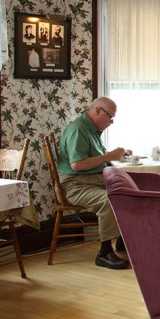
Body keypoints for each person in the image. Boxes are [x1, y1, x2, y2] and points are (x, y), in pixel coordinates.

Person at [57, 96, 131, 269]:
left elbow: (96, 157)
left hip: (91, 179)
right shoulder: (78, 130)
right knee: (109, 200)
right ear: (97, 110)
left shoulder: (91, 129)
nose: (111, 122)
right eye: (110, 117)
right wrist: (109, 156)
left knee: (130, 190)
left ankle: (123, 240)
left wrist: (119, 154)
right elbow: (77, 165)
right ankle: (104, 253)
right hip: (76, 185)